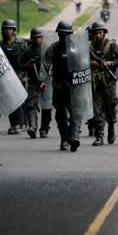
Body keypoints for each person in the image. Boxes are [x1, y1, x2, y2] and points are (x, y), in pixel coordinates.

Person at [39, 21, 82, 152]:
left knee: (75, 113)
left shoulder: (76, 48)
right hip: (58, 86)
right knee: (60, 114)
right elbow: (45, 64)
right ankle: (64, 139)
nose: (64, 36)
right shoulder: (53, 48)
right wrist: (42, 79)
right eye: (62, 34)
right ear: (58, 34)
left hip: (74, 87)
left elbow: (84, 65)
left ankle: (74, 138)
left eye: (66, 34)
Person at [89, 21, 118, 146]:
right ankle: (99, 136)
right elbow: (80, 61)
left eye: (100, 33)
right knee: (97, 109)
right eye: (96, 33)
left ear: (104, 33)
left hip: (108, 82)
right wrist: (90, 63)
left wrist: (109, 63)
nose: (98, 35)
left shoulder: (112, 45)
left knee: (110, 108)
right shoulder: (89, 47)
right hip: (95, 83)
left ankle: (111, 128)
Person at [0, 19, 27, 134]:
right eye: (5, 29)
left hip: (19, 75)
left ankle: (21, 123)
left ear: (14, 30)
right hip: (5, 76)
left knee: (19, 101)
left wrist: (25, 75)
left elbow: (26, 59)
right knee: (10, 101)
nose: (7, 31)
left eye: (9, 29)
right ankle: (13, 124)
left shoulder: (21, 44)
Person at [20, 27, 44, 139]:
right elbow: (20, 64)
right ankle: (33, 126)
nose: (37, 39)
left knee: (48, 106)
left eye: (39, 37)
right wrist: (27, 66)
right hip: (33, 81)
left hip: (47, 80)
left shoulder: (47, 49)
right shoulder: (28, 51)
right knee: (30, 104)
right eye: (35, 38)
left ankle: (44, 128)